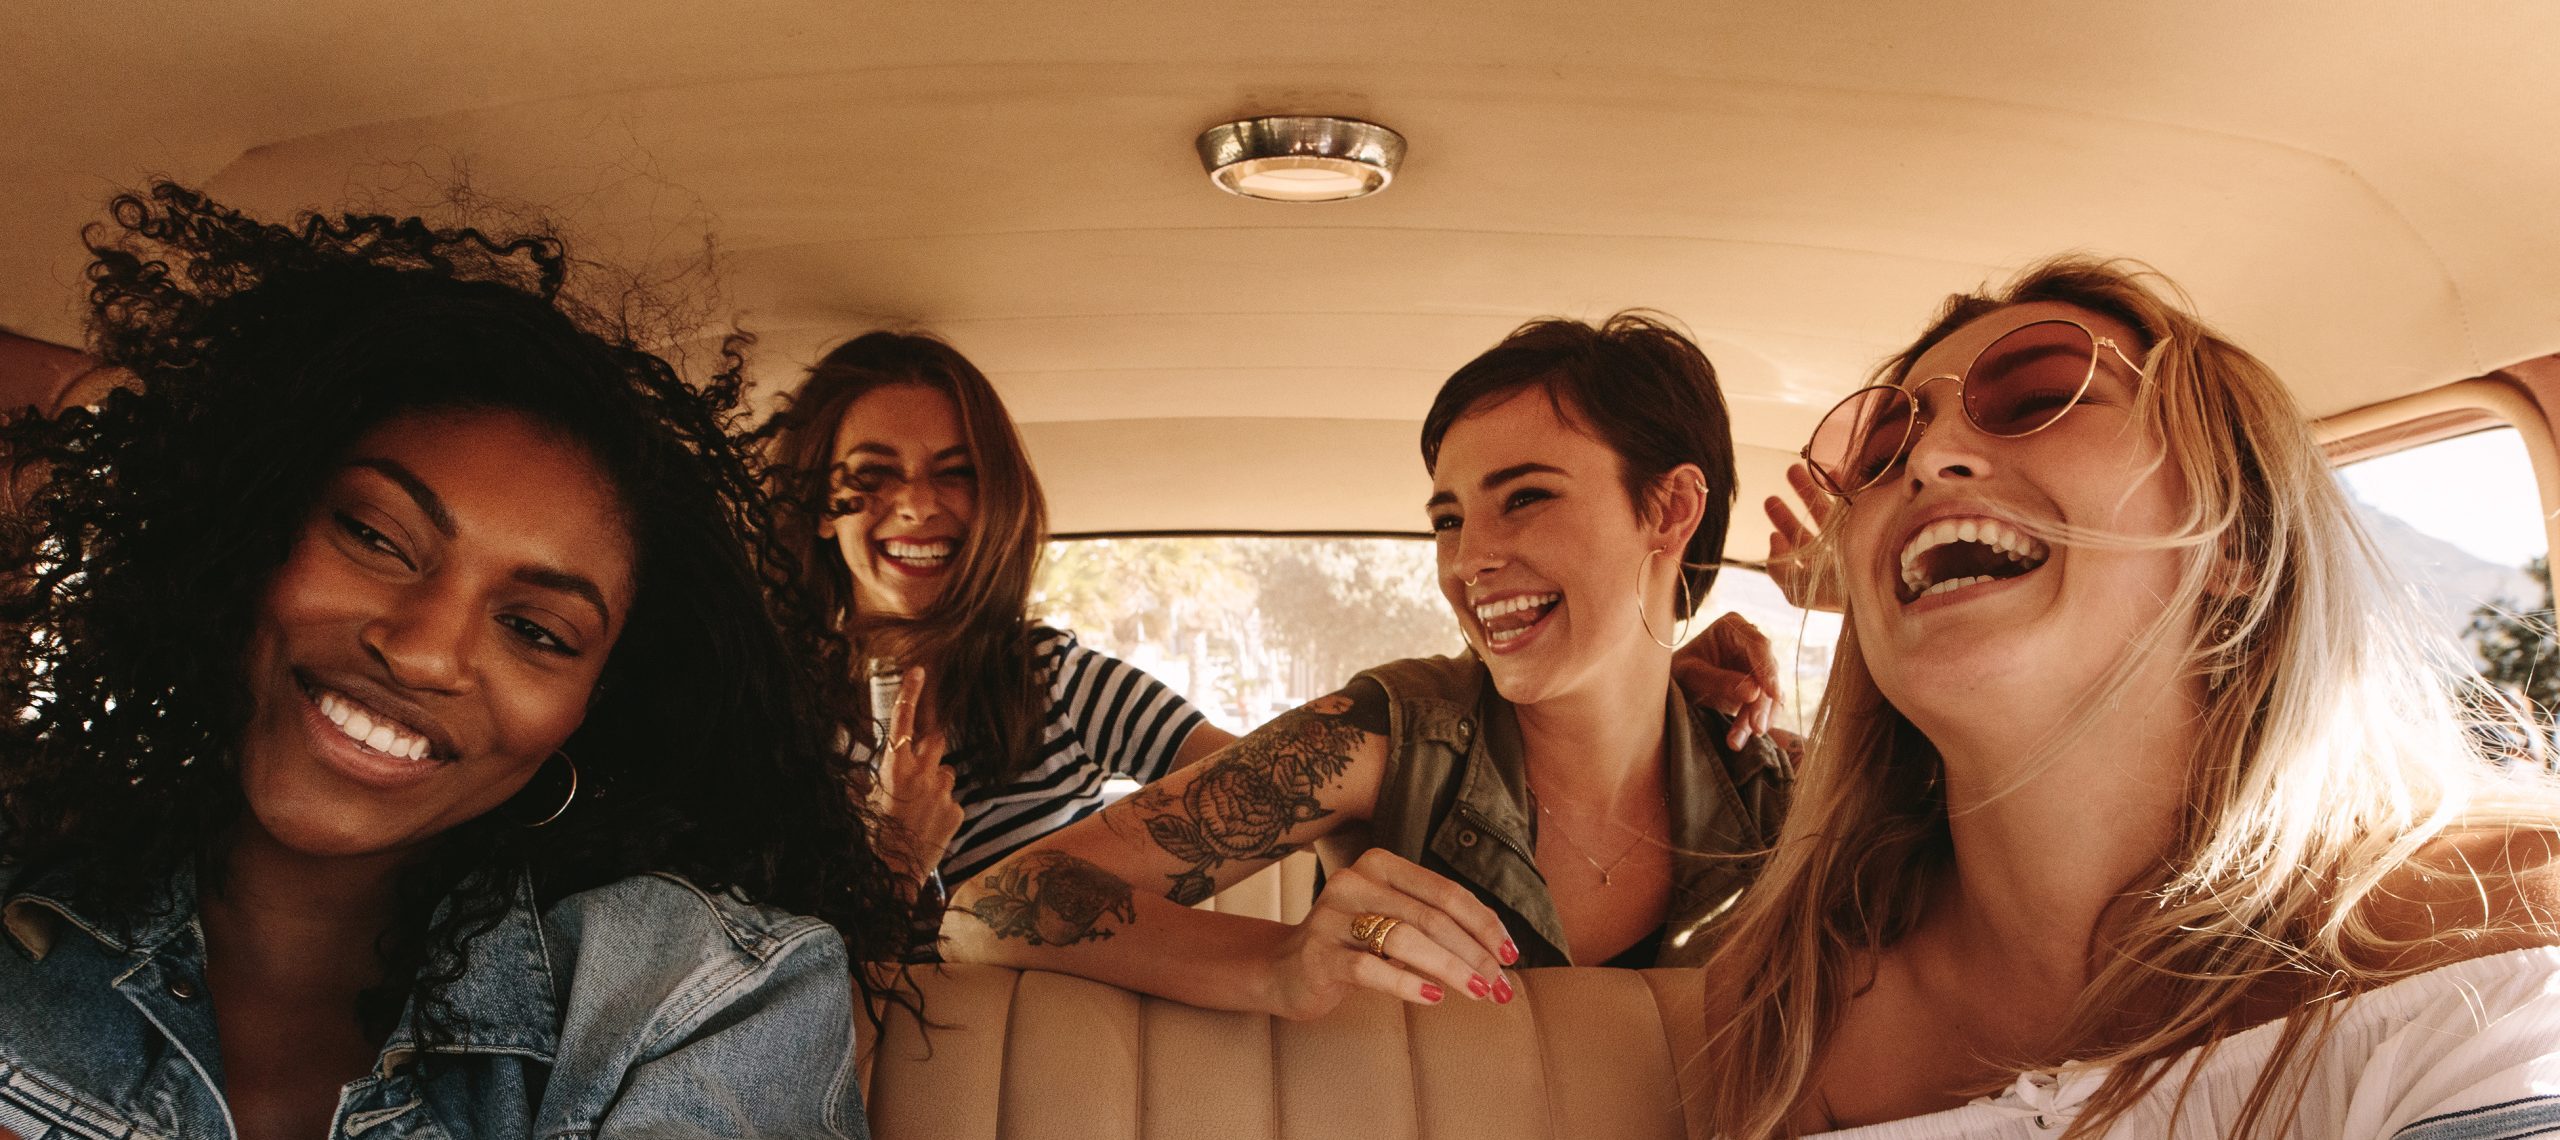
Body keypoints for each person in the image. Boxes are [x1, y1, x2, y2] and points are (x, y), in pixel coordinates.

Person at [0, 183, 910, 1139]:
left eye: (538, 631)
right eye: (375, 536)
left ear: (593, 708)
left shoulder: (693, 994)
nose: (425, 650)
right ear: (244, 537)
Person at [1697, 256, 2560, 1138]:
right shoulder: (1783, 1011)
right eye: (1881, 459)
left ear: (2240, 541)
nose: (1926, 458)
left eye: (2039, 400)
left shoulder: (2495, 918)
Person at [939, 312, 1792, 1018]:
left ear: (1671, 508)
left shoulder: (1780, 798)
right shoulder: (1386, 738)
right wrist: (1280, 964)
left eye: (1526, 497)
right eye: (1449, 520)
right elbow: (987, 909)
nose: (1469, 562)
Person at [764, 332, 1237, 899]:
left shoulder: (1053, 680)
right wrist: (898, 855)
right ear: (820, 507)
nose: (917, 504)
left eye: (955, 472)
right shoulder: (770, 719)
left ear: (993, 497)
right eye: (875, 472)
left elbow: (1269, 785)